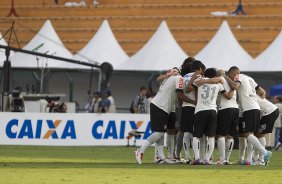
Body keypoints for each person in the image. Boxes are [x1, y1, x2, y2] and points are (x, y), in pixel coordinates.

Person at [134, 66, 196, 165]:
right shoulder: (178, 78)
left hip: (164, 107)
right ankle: (140, 150)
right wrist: (193, 102)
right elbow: (179, 95)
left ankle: (161, 157)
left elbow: (158, 79)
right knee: (159, 132)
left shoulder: (169, 77)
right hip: (160, 106)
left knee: (163, 132)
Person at [226, 66, 272, 166]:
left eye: (230, 76)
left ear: (233, 73)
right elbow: (261, 91)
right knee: (249, 134)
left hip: (249, 109)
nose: (230, 78)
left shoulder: (238, 77)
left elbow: (235, 86)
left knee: (247, 134)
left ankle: (265, 152)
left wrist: (225, 78)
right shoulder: (249, 78)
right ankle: (248, 160)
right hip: (255, 108)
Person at [189, 68, 234, 165]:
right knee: (211, 136)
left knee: (197, 135)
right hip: (213, 111)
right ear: (215, 76)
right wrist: (233, 89)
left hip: (200, 110)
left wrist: (194, 79)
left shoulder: (199, 81)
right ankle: (207, 159)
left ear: (205, 74)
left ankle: (197, 158)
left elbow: (188, 89)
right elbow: (228, 96)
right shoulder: (219, 84)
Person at [216, 69, 239, 165]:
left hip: (225, 108)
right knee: (230, 135)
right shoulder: (234, 81)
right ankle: (227, 159)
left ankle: (222, 159)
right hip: (235, 108)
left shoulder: (220, 80)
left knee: (221, 134)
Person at [253, 95, 279, 165]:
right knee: (258, 134)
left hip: (269, 112)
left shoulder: (251, 97)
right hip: (271, 111)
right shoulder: (254, 94)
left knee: (260, 135)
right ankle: (257, 158)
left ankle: (261, 160)